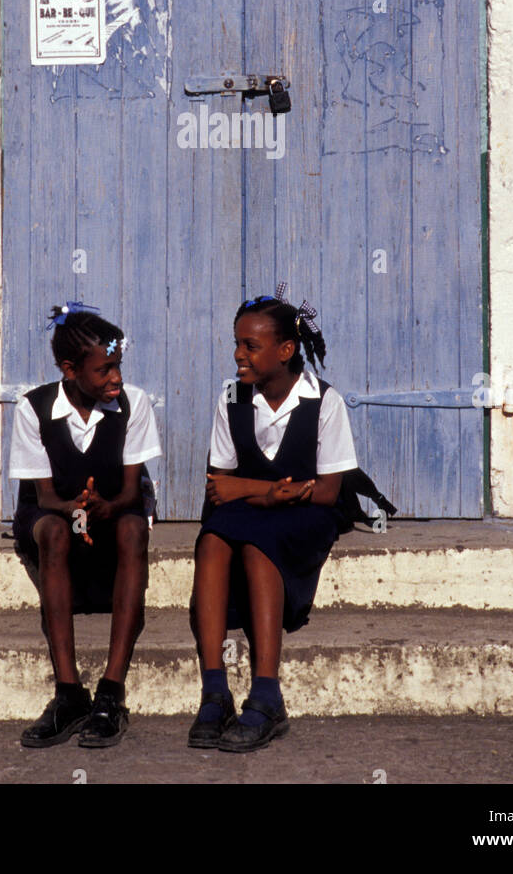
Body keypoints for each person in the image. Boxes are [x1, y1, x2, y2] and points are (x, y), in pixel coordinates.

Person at [189, 286, 369, 753]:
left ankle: (267, 696)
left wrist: (255, 492)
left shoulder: (323, 402)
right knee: (211, 541)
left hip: (309, 516)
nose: (238, 355)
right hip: (254, 509)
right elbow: (218, 485)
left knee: (258, 543)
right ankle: (215, 691)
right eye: (236, 343)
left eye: (250, 346)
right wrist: (270, 491)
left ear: (286, 350)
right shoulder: (232, 398)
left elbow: (326, 491)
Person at [9, 302, 161, 749]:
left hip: (112, 509)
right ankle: (69, 694)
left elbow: (133, 492)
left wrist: (104, 508)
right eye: (104, 370)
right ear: (69, 369)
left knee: (134, 529)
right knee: (55, 533)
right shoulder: (33, 408)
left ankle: (111, 694)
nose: (115, 377)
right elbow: (45, 497)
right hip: (54, 513)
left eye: (118, 366)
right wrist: (78, 509)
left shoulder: (133, 404)